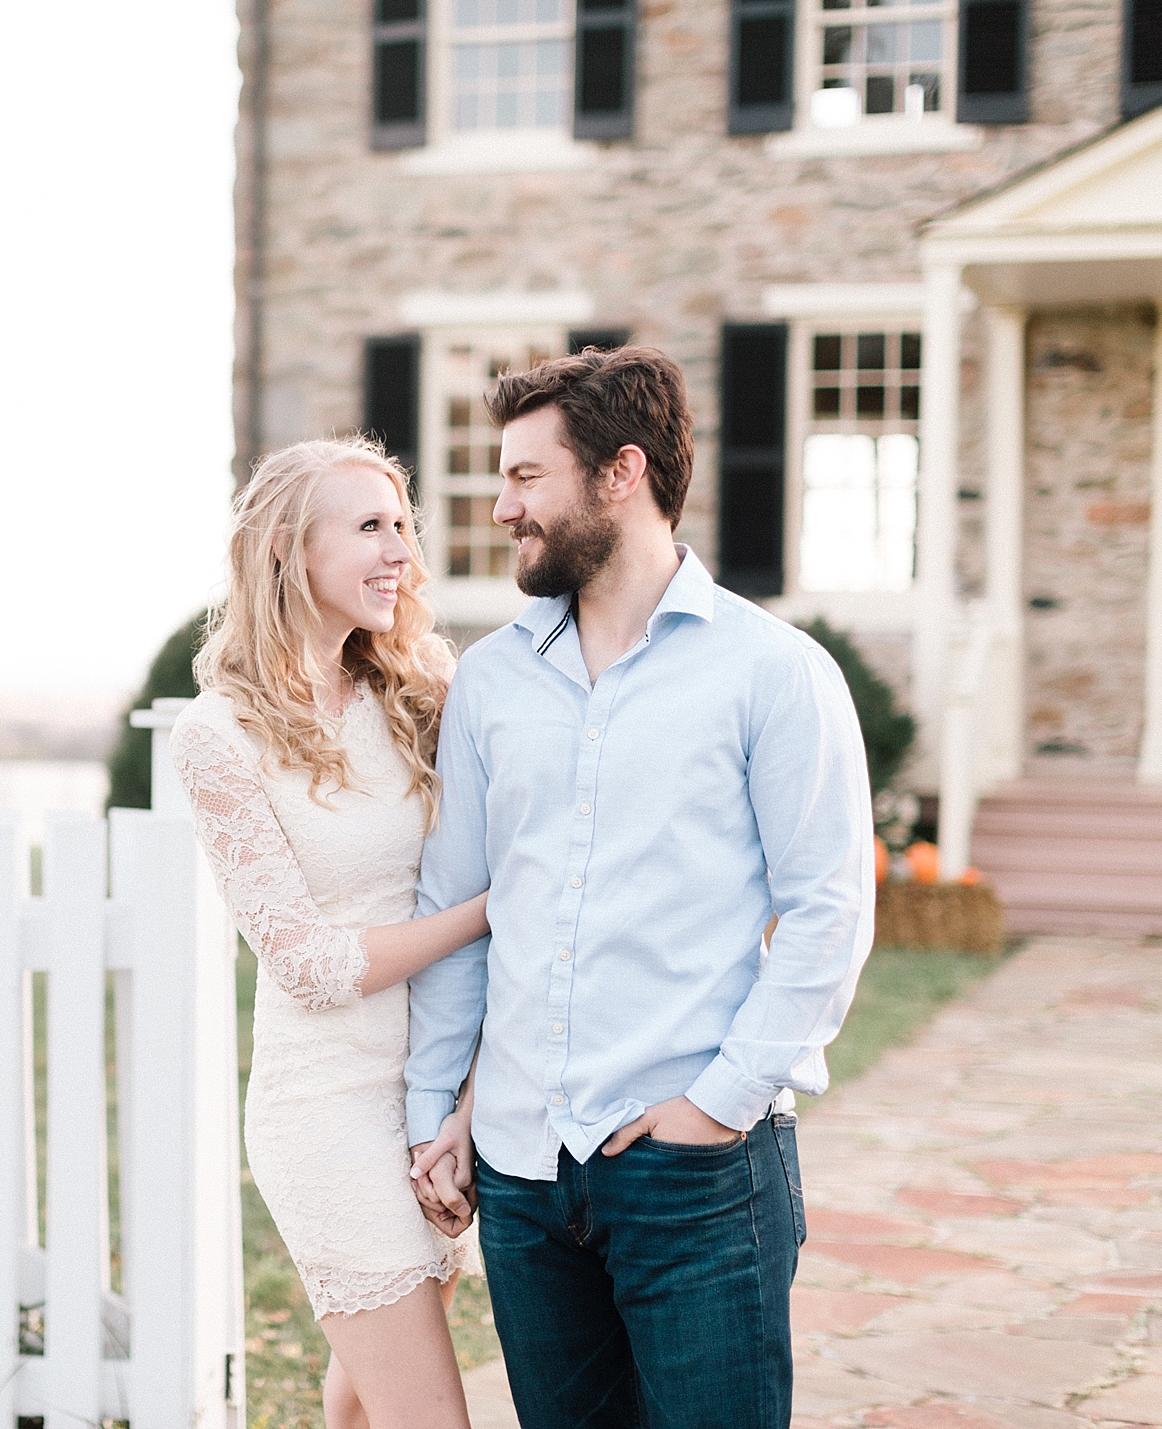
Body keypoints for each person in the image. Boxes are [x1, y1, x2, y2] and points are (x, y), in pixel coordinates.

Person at [405, 346, 874, 1429]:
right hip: (519, 1172)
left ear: (620, 473)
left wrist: (716, 1105)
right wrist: (436, 1109)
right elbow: (457, 909)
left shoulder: (772, 671)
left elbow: (827, 912)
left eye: (526, 475)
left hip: (696, 1178)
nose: (500, 503)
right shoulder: (489, 679)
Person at [170, 437, 489, 1429]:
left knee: (361, 1398)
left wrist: (462, 1108)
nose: (400, 550)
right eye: (368, 527)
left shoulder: (422, 685)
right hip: (328, 1104)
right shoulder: (216, 734)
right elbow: (306, 963)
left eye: (402, 525)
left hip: (436, 1089)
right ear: (286, 549)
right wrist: (490, 910)